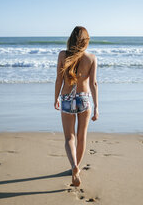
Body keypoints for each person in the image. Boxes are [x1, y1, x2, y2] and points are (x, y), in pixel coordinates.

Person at [54, 26, 99, 187]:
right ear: (86, 41)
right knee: (82, 136)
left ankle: (73, 166)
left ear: (71, 39)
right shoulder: (91, 58)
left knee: (69, 138)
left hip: (66, 98)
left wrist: (55, 99)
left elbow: (59, 80)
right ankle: (77, 168)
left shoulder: (62, 55)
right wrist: (97, 107)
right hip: (84, 99)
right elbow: (93, 84)